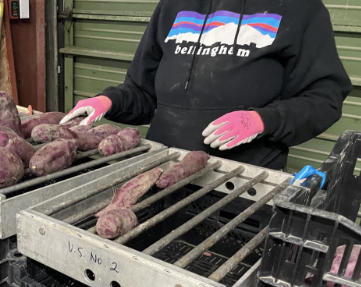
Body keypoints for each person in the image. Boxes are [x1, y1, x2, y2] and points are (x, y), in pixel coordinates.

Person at [60, 0, 352, 170]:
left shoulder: (300, 8)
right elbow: (144, 93)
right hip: (163, 171)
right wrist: (108, 101)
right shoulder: (173, 6)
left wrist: (262, 120)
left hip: (241, 186)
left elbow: (324, 97)